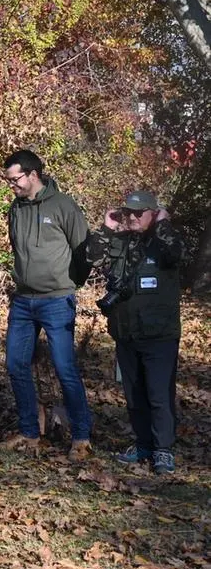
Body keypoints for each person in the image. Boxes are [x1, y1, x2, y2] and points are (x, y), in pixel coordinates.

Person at [2, 149, 93, 459]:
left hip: (57, 300)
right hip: (24, 301)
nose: (11, 186)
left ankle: (81, 437)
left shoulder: (64, 206)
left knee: (65, 367)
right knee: (15, 364)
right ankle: (29, 432)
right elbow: (17, 247)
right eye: (8, 181)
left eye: (15, 180)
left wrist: (69, 284)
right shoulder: (15, 209)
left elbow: (83, 251)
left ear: (33, 175)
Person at [87, 191, 185, 474]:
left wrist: (163, 223)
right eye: (127, 212)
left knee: (158, 394)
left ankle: (163, 449)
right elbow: (92, 258)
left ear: (152, 214)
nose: (131, 217)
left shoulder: (165, 242)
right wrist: (107, 226)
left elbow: (177, 253)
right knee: (134, 394)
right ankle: (142, 443)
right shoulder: (120, 241)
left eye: (138, 213)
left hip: (159, 335)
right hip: (126, 331)